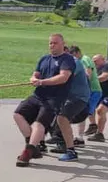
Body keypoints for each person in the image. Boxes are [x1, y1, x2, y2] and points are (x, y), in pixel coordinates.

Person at [14, 34, 77, 167]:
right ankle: (33, 145)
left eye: (55, 43)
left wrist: (42, 82)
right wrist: (33, 79)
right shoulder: (44, 59)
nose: (52, 45)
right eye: (50, 43)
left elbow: (63, 77)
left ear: (63, 44)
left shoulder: (67, 59)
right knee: (18, 114)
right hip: (38, 95)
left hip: (54, 99)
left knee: (39, 123)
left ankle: (28, 152)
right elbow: (35, 74)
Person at [68, 46, 102, 146]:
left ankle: (87, 131)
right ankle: (89, 128)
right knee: (83, 111)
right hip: (89, 90)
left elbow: (88, 73)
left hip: (93, 89)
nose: (73, 58)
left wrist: (83, 85)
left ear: (77, 52)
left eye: (73, 55)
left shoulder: (84, 59)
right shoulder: (80, 60)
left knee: (83, 112)